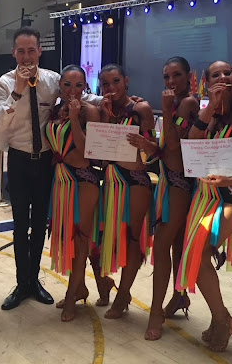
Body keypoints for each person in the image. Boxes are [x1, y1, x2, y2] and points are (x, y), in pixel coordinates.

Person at [0, 27, 101, 311]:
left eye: (32, 50)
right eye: (21, 51)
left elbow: (79, 97)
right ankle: (22, 283)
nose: (26, 56)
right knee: (20, 226)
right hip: (18, 160)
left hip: (45, 162)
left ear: (40, 51)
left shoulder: (53, 80)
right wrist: (18, 90)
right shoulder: (3, 84)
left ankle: (34, 281)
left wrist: (113, 100)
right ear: (13, 53)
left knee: (41, 224)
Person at [175, 60, 232, 351]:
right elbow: (192, 141)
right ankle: (221, 318)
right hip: (203, 195)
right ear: (207, 81)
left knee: (201, 254)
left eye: (229, 72)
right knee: (196, 257)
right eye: (217, 74)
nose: (224, 77)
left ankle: (222, 319)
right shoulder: (211, 113)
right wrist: (211, 107)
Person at [145, 56, 199, 340]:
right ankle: (179, 296)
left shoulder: (187, 103)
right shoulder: (178, 103)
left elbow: (174, 147)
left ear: (189, 76)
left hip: (179, 183)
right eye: (166, 76)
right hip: (169, 180)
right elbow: (166, 148)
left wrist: (165, 110)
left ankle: (156, 312)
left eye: (176, 75)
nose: (170, 81)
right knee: (175, 243)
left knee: (162, 244)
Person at [46, 65, 103, 322]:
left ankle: (71, 295)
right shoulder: (55, 109)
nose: (72, 90)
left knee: (80, 240)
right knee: (66, 237)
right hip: (61, 180)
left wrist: (73, 118)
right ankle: (79, 288)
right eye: (67, 84)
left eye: (78, 85)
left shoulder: (89, 111)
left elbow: (86, 149)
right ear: (60, 86)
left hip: (83, 180)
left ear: (85, 87)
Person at [99, 64, 155, 320]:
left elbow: (154, 150)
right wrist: (105, 115)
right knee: (109, 237)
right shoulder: (105, 108)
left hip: (135, 181)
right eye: (106, 83)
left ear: (126, 81)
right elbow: (100, 146)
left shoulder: (141, 108)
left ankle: (123, 294)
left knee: (133, 239)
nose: (111, 87)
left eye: (116, 81)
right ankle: (111, 286)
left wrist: (145, 143)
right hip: (111, 182)